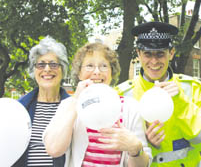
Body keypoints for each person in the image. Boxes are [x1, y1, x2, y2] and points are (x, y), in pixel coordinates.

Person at [115, 21, 201, 166]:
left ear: (171, 53)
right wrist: (145, 144)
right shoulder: (122, 94)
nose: (154, 61)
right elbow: (114, 151)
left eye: (160, 54)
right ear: (138, 54)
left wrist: (180, 103)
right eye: (147, 54)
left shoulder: (192, 88)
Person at [43, 42, 152, 167]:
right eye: (89, 66)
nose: (97, 72)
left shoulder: (130, 108)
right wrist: (76, 102)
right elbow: (53, 149)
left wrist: (135, 148)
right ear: (79, 73)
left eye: (104, 66)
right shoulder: (68, 105)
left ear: (112, 72)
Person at [12, 36, 70, 167]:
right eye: (41, 64)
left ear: (63, 70)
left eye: (54, 64)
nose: (47, 69)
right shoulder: (20, 108)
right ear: (34, 70)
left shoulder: (73, 107)